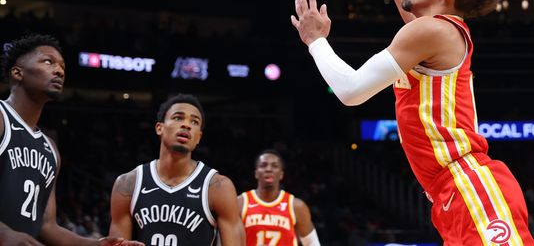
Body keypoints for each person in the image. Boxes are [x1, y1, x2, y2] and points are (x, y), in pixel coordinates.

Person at [291, 0, 534, 245]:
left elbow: (352, 91)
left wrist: (317, 42)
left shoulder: (432, 31)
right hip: (448, 194)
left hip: (469, 184)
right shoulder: (430, 27)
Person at [0, 34, 143, 246]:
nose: (59, 70)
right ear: (17, 72)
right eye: (48, 61)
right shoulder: (2, 118)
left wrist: (96, 244)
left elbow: (47, 226)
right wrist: (3, 232)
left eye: (62, 66)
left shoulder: (50, 148)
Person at [109, 94, 245, 246]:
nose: (186, 125)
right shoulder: (128, 184)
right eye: (178, 118)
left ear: (198, 137)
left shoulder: (218, 187)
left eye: (194, 122)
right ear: (159, 128)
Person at [237, 149, 320, 246]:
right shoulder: (240, 203)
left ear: (281, 174)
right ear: (256, 173)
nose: (269, 169)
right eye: (263, 165)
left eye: (275, 166)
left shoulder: (297, 206)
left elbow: (312, 243)